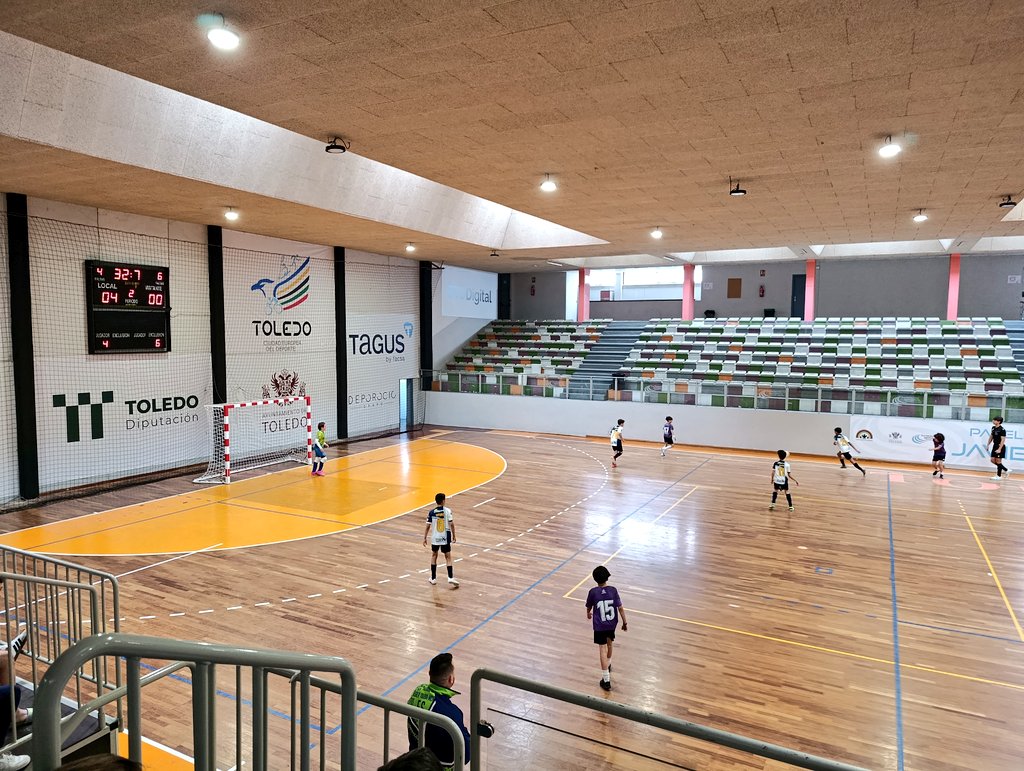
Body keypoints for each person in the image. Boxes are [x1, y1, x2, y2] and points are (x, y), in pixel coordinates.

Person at [407, 653, 493, 770]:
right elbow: (465, 754)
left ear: (429, 674)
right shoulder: (452, 714)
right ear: (451, 679)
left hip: (413, 763)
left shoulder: (418, 691)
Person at [585, 565, 627, 691]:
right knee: (609, 644)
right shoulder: (613, 590)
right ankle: (608, 665)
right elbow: (620, 608)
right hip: (611, 624)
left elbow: (589, 606)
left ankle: (606, 680)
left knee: (602, 648)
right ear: (607, 576)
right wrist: (625, 622)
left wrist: (588, 613)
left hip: (599, 626)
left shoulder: (593, 592)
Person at [423, 493, 458, 587]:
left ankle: (433, 578)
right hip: (445, 537)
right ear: (443, 501)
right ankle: (450, 577)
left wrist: (425, 537)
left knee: (434, 555)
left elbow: (427, 526)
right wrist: (454, 535)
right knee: (448, 557)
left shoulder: (431, 512)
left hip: (435, 537)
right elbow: (452, 524)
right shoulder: (447, 511)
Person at [987, 416, 1011, 480]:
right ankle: (1006, 470)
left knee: (998, 461)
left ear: (999, 421)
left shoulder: (1002, 430)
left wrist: (1000, 449)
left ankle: (999, 476)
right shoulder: (993, 428)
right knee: (992, 460)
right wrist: (988, 445)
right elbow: (991, 437)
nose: (993, 421)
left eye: (995, 420)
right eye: (993, 420)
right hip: (995, 446)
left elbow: (1003, 440)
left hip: (1000, 446)